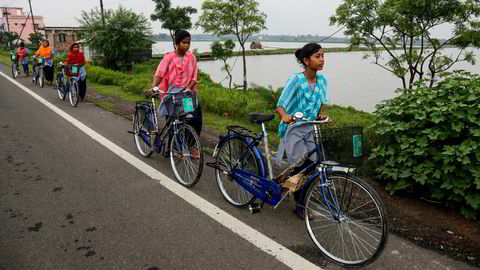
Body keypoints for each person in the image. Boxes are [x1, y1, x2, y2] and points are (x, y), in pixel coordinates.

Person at [275, 42, 328, 219]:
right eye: (317, 56)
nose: (321, 60)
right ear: (306, 60)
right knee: (302, 166)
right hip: (294, 128)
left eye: (322, 56)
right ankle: (300, 206)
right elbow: (280, 105)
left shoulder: (323, 80)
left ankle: (285, 183)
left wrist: (321, 115)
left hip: (311, 128)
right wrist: (284, 115)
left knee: (314, 163)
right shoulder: (295, 80)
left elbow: (321, 104)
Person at [151, 29, 202, 136]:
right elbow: (160, 73)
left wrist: (188, 88)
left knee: (192, 120)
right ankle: (171, 147)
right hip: (172, 94)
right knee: (172, 122)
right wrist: (154, 87)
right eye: (184, 42)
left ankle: (189, 146)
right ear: (177, 43)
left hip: (187, 94)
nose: (186, 45)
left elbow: (194, 76)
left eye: (188, 43)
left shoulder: (191, 57)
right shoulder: (169, 57)